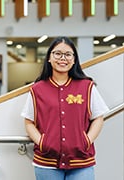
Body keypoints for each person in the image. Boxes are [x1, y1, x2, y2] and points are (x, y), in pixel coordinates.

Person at [21, 37, 109, 180]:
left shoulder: (87, 86)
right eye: (58, 53)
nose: (63, 58)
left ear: (74, 60)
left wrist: (86, 141)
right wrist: (42, 143)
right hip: (47, 163)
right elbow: (29, 121)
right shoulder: (37, 89)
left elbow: (98, 117)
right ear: (49, 57)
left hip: (81, 161)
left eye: (68, 54)